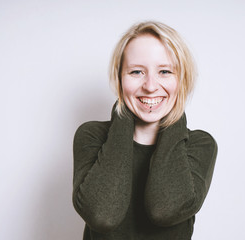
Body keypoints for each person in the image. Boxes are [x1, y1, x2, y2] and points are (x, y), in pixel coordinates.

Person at [72, 21, 218, 240]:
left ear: (182, 79)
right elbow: (103, 215)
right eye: (136, 71)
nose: (150, 86)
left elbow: (164, 209)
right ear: (120, 78)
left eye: (165, 71)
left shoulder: (199, 145)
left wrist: (173, 113)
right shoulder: (91, 136)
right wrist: (123, 112)